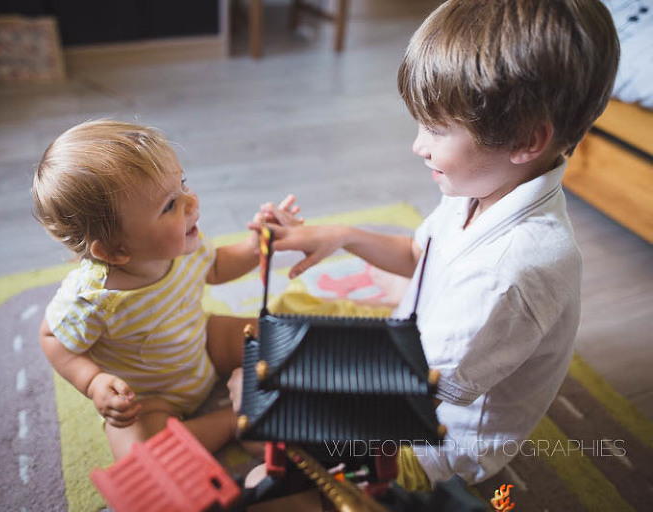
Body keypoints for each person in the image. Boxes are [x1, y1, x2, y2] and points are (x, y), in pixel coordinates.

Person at [256, 0, 620, 487]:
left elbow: (416, 390)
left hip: (429, 440)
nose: (417, 145)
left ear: (526, 141)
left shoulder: (513, 272)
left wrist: (293, 393)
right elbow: (418, 256)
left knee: (270, 471)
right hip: (416, 354)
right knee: (276, 325)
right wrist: (338, 236)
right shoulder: (484, 186)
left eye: (436, 129)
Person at [32, 120, 300, 460]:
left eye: (183, 186)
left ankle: (289, 380)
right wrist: (93, 382)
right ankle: (232, 420)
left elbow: (216, 267)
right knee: (143, 457)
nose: (191, 202)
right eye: (170, 205)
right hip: (147, 395)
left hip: (201, 344)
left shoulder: (182, 246)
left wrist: (255, 245)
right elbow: (52, 338)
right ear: (116, 252)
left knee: (276, 335)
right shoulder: (92, 297)